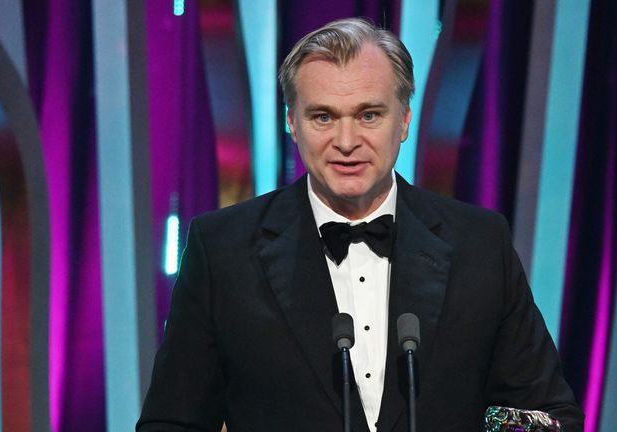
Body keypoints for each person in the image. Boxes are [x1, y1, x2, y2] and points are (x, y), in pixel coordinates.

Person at [137, 17, 583, 432]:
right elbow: (172, 422)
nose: (346, 142)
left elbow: (543, 412)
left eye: (369, 115)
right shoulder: (222, 250)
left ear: (404, 119)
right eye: (323, 117)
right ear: (292, 122)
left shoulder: (480, 244)